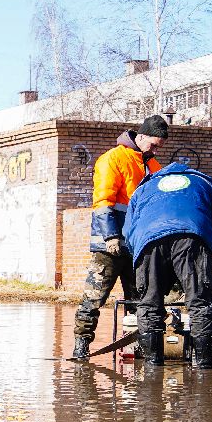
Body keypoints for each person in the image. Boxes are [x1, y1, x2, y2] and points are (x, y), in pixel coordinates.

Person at [70, 114, 168, 361]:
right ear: (141, 136)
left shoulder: (153, 166)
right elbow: (103, 201)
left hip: (137, 246)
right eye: (153, 144)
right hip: (109, 246)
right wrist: (111, 236)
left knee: (139, 300)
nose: (155, 150)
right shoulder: (113, 159)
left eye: (159, 146)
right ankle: (81, 347)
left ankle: (137, 347)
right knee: (94, 297)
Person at [123, 161, 212, 369]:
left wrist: (144, 262)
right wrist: (202, 257)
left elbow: (129, 233)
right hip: (192, 237)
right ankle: (206, 367)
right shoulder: (204, 183)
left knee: (149, 304)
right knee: (200, 302)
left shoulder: (143, 188)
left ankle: (152, 366)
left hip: (148, 241)